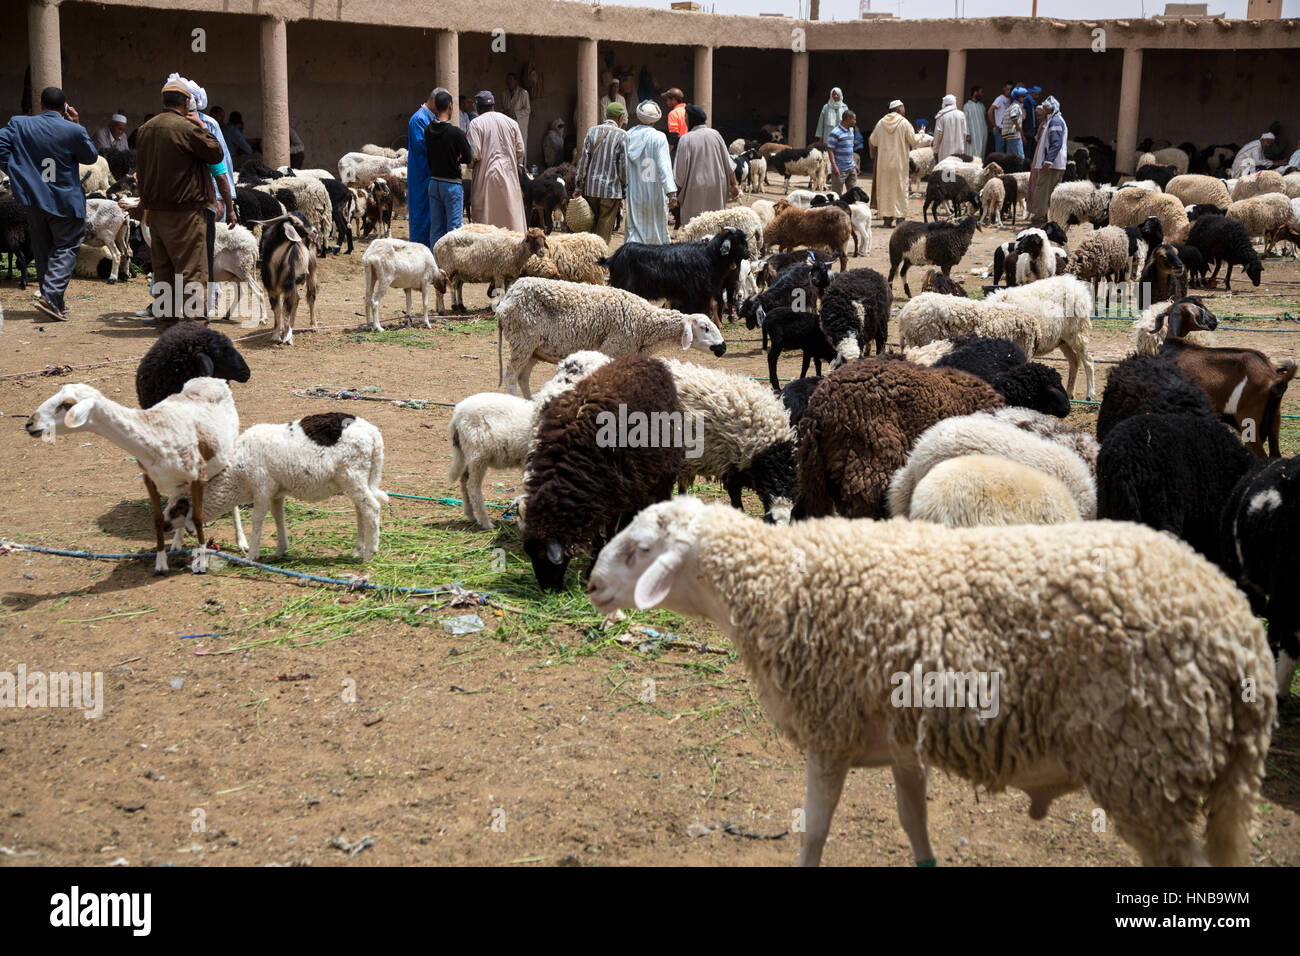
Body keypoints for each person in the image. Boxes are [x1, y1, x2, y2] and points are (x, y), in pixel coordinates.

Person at [135, 74, 227, 325]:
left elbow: (141, 171)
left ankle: (167, 326)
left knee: (164, 273)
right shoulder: (187, 129)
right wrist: (202, 127)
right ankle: (194, 329)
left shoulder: (145, 129)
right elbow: (215, 153)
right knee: (192, 272)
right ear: (187, 103)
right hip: (187, 214)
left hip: (157, 214)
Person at [0, 86, 96, 321]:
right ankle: (51, 296)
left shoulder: (19, 124)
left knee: (43, 250)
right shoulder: (74, 130)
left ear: (41, 104)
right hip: (65, 200)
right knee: (67, 247)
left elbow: (1, 146)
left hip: (34, 199)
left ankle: (54, 301)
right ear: (64, 108)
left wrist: (16, 170)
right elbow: (91, 156)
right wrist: (76, 124)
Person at [181, 76, 237, 320]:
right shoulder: (171, 125)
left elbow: (221, 163)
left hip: (206, 200)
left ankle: (210, 301)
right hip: (180, 202)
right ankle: (167, 304)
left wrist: (226, 200)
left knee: (208, 252)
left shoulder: (209, 126)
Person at [465, 90, 526, 232]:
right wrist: (509, 160)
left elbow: (474, 154)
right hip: (509, 176)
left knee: (486, 222)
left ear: (478, 107)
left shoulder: (476, 124)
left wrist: (471, 164)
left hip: (485, 177)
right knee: (510, 217)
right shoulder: (511, 123)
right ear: (493, 105)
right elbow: (520, 150)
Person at [673, 105, 737, 226]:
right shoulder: (716, 134)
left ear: (691, 119)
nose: (685, 120)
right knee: (715, 225)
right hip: (717, 187)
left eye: (685, 117)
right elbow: (729, 164)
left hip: (695, 190)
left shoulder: (685, 139)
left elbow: (679, 174)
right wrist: (734, 184)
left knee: (695, 227)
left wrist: (674, 195)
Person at [424, 88, 473, 248]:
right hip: (451, 185)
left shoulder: (428, 130)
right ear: (450, 106)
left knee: (436, 228)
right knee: (453, 229)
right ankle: (451, 268)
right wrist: (456, 156)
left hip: (434, 183)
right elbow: (468, 157)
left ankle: (434, 263)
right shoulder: (455, 133)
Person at [624, 99, 677, 245]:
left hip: (634, 190)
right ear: (654, 121)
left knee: (634, 227)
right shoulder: (659, 137)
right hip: (655, 191)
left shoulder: (628, 135)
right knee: (656, 229)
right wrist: (671, 192)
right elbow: (664, 166)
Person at [574, 102, 628, 243]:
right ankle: (598, 260)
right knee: (604, 231)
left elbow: (583, 160)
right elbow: (623, 166)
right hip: (611, 191)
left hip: (590, 188)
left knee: (590, 228)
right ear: (621, 117)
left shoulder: (592, 131)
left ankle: (588, 259)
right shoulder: (622, 135)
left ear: (606, 115)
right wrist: (624, 186)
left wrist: (578, 186)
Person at [868, 99, 917, 228]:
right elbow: (914, 141)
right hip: (899, 164)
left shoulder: (881, 123)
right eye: (903, 107)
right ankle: (900, 218)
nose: (904, 109)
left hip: (884, 165)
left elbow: (873, 141)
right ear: (899, 109)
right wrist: (922, 134)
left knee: (886, 190)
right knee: (900, 189)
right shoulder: (904, 123)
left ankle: (887, 219)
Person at [406, 90, 439, 250]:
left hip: (428, 173)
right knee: (421, 213)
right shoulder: (419, 119)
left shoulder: (429, 118)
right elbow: (422, 145)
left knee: (430, 215)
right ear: (434, 101)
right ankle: (419, 251)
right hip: (420, 173)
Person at [1028, 96, 1068, 226]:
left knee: (1042, 190)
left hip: (1051, 166)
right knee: (1050, 193)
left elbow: (1056, 143)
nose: (1043, 109)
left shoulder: (1055, 121)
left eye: (1045, 107)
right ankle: (1049, 219)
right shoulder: (1054, 120)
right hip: (1055, 164)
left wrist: (1048, 161)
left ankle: (1038, 219)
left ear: (1050, 109)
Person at [825, 110, 859, 194]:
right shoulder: (835, 133)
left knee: (853, 194)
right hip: (840, 170)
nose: (855, 122)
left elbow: (850, 149)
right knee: (836, 195)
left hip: (851, 168)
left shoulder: (851, 131)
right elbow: (830, 150)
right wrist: (834, 167)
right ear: (847, 119)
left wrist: (855, 164)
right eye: (854, 119)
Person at [502, 73, 531, 161]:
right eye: (507, 79)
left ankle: (520, 170)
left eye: (511, 79)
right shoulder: (504, 94)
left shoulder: (523, 93)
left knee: (520, 147)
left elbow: (527, 110)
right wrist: (505, 112)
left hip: (519, 124)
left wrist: (514, 113)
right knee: (508, 147)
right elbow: (503, 108)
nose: (508, 82)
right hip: (507, 125)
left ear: (516, 81)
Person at [932, 93, 967, 162]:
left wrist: (935, 150)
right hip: (959, 151)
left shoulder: (941, 116)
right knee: (957, 171)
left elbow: (938, 134)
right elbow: (964, 133)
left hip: (945, 151)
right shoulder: (961, 115)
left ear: (945, 104)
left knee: (945, 171)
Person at [1000, 87, 1026, 160]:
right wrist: (1017, 126)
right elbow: (1013, 116)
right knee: (1020, 157)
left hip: (1009, 136)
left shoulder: (1011, 106)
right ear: (1018, 97)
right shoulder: (1016, 106)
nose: (1024, 98)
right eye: (1023, 96)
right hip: (1014, 135)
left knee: (1010, 158)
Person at [987, 81, 1012, 154]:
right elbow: (990, 112)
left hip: (1007, 129)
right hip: (1000, 129)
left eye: (1010, 89)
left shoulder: (1010, 99)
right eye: (1007, 89)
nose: (1009, 91)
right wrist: (995, 126)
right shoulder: (1000, 99)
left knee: (1006, 150)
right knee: (999, 151)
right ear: (1004, 88)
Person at [963, 86, 987, 159]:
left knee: (981, 152)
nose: (982, 94)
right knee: (972, 153)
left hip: (982, 134)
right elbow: (965, 120)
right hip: (973, 135)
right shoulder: (967, 106)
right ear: (975, 93)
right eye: (981, 92)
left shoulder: (982, 106)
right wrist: (968, 134)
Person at [663, 88, 687, 152]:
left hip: (680, 147)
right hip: (693, 146)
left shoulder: (673, 113)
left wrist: (668, 151)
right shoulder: (688, 110)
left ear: (673, 100)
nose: (667, 102)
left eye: (667, 100)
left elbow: (674, 135)